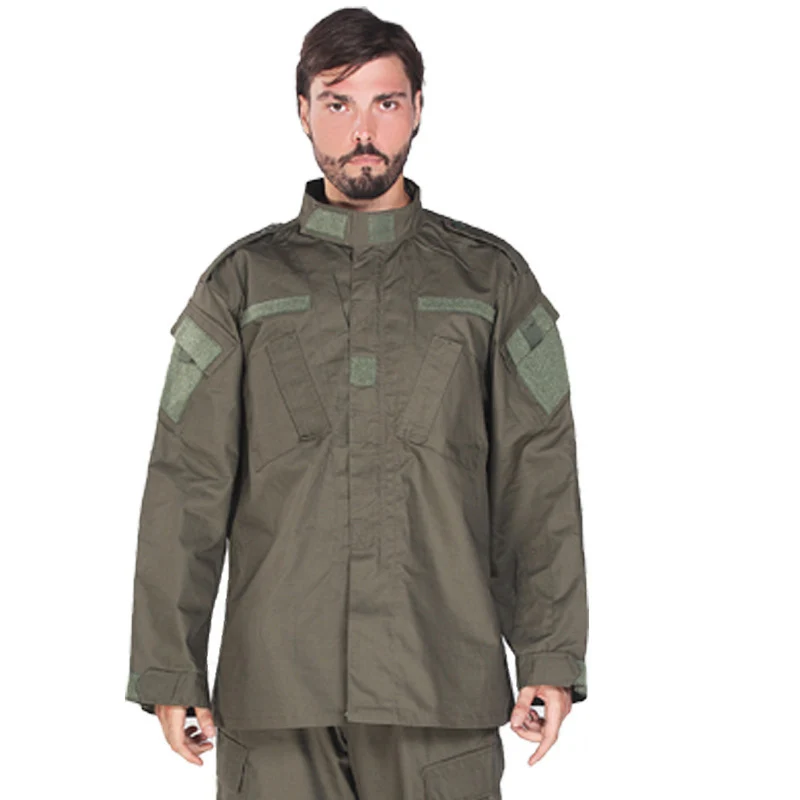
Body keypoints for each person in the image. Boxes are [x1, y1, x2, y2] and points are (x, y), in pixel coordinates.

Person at [125, 7, 589, 799]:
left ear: (419, 108)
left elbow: (536, 477)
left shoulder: (492, 281)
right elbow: (186, 479)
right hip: (278, 697)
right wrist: (172, 667)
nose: (362, 130)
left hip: (440, 688)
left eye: (386, 101)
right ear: (302, 111)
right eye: (337, 103)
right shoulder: (239, 286)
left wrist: (550, 653)